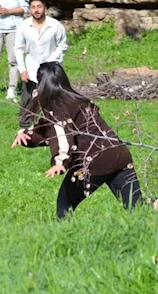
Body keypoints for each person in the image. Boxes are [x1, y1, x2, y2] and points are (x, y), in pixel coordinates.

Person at [12, 62, 142, 219]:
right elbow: (47, 130)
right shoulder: (79, 100)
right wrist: (26, 135)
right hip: (119, 154)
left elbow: (62, 137)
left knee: (64, 207)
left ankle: (66, 238)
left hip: (93, 162)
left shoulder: (57, 109)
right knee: (138, 208)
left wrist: (60, 162)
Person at [14, 0, 68, 128]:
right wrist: (22, 69)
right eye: (33, 7)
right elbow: (18, 48)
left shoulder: (55, 25)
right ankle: (25, 124)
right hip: (31, 67)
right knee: (28, 97)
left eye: (39, 7)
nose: (36, 10)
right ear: (30, 10)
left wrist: (52, 62)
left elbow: (62, 45)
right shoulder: (24, 26)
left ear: (45, 8)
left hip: (51, 68)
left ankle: (54, 122)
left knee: (54, 96)